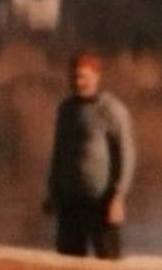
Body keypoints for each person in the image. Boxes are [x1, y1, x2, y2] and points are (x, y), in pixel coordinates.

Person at [45, 52, 137, 258]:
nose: (78, 82)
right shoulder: (66, 110)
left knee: (108, 262)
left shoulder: (112, 109)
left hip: (102, 201)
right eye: (74, 77)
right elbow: (59, 154)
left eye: (83, 77)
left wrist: (118, 197)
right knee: (67, 262)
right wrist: (52, 191)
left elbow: (127, 156)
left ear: (97, 77)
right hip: (70, 201)